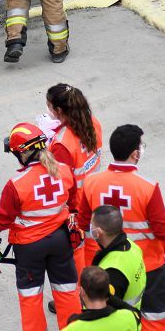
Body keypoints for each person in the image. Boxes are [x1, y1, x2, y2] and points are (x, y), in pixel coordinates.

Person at [79, 125, 165, 331]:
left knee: (111, 315)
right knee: (155, 316)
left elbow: (85, 220)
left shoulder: (91, 182)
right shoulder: (147, 187)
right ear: (135, 154)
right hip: (148, 265)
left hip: (108, 266)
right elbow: (163, 230)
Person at [0, 123, 80, 331]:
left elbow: (3, 218)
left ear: (21, 153)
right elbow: (74, 202)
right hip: (61, 240)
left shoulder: (17, 184)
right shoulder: (64, 170)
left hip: (29, 247)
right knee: (66, 289)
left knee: (31, 293)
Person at [45, 82, 103, 277]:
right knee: (95, 249)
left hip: (77, 208)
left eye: (50, 107)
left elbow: (60, 181)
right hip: (96, 196)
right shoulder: (92, 122)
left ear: (59, 110)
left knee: (78, 255)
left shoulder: (62, 144)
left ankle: (82, 294)